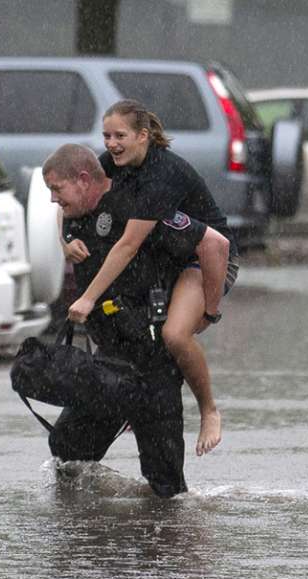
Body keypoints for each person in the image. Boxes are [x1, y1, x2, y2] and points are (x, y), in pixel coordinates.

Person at [42, 143, 230, 498]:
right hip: (108, 358)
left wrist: (209, 310)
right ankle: (86, 540)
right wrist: (65, 242)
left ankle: (167, 544)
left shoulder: (141, 209)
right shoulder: (73, 213)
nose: (54, 200)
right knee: (68, 451)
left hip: (152, 361)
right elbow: (63, 218)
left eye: (57, 190)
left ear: (83, 181)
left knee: (166, 487)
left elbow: (216, 245)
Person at [65, 99, 236, 458]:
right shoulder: (110, 162)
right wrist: (67, 240)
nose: (111, 144)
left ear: (143, 136)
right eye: (106, 135)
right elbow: (70, 196)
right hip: (163, 256)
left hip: (204, 259)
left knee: (174, 335)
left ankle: (209, 410)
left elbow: (128, 245)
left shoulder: (163, 175)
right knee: (134, 333)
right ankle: (135, 407)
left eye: (120, 136)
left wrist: (211, 310)